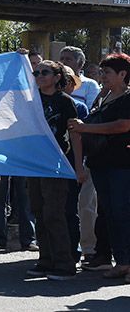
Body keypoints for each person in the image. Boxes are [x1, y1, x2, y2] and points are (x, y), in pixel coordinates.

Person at [68, 53, 130, 283]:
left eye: (108, 73)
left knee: (123, 213)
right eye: (102, 72)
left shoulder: (127, 98)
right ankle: (122, 261)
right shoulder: (104, 97)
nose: (102, 77)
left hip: (122, 165)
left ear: (123, 74)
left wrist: (87, 130)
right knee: (111, 214)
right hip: (101, 164)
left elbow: (123, 125)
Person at [25, 60, 84, 281]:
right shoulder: (31, 101)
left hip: (57, 164)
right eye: (36, 72)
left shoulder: (65, 102)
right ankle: (45, 259)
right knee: (39, 212)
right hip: (35, 164)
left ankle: (64, 263)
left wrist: (78, 168)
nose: (39, 75)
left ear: (57, 77)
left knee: (54, 214)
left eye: (45, 72)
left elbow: (75, 134)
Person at [59, 46, 101, 267]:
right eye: (61, 58)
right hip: (59, 160)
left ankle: (88, 249)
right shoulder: (48, 98)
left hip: (82, 158)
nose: (64, 61)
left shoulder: (88, 90)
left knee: (85, 204)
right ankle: (63, 247)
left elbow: (91, 118)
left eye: (68, 59)